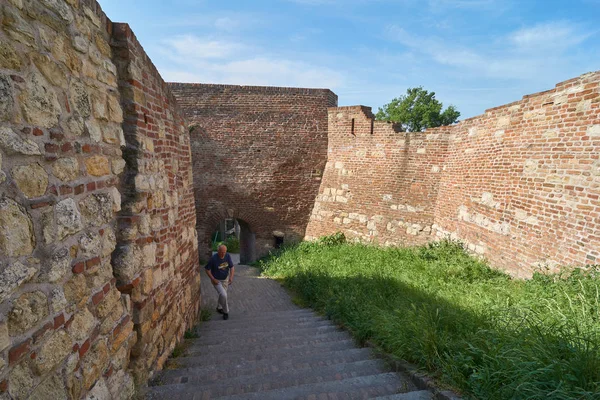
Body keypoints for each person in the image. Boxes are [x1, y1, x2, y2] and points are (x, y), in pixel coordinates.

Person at [204, 244, 235, 320]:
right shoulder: (213, 259)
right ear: (218, 251)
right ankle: (226, 312)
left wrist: (231, 277)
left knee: (222, 294)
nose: (223, 254)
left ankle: (219, 307)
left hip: (225, 280)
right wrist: (213, 279)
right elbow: (207, 269)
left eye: (224, 252)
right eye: (221, 252)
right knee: (224, 295)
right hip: (217, 281)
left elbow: (232, 267)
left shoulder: (227, 256)